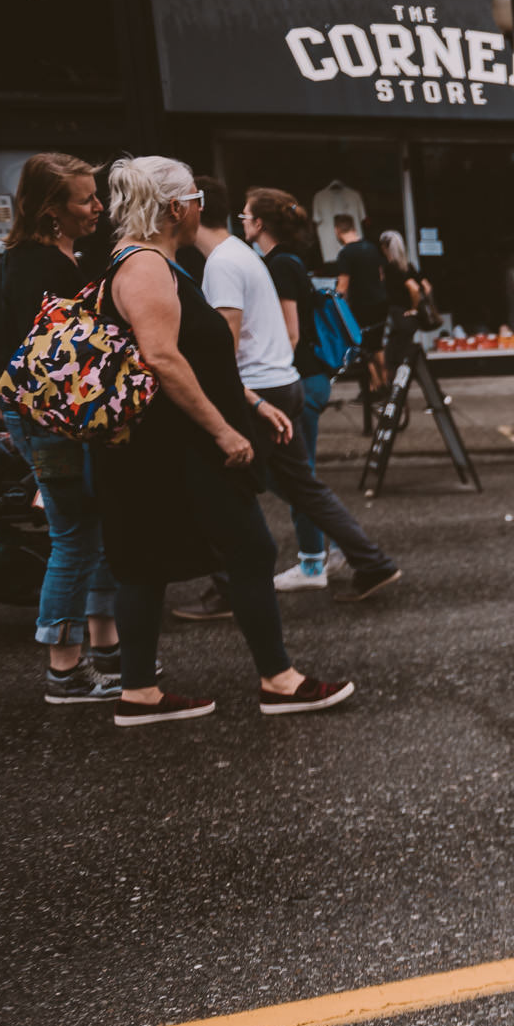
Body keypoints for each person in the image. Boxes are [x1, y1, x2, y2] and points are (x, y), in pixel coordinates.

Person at [91, 156, 352, 726]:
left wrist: (253, 403)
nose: (201, 210)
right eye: (196, 200)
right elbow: (162, 358)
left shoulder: (153, 261)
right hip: (175, 447)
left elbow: (198, 359)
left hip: (157, 446)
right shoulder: (146, 267)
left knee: (144, 563)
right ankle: (278, 681)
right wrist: (224, 428)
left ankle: (139, 691)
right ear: (177, 207)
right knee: (248, 551)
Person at [181, 180, 401, 611]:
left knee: (224, 485)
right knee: (299, 485)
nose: (243, 219)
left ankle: (237, 585)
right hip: (283, 381)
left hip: (265, 385)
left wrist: (244, 396)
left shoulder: (231, 262)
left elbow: (233, 342)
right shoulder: (250, 257)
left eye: (248, 214)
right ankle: (367, 561)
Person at [0, 152, 121, 701]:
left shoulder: (62, 256)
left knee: (90, 534)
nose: (98, 206)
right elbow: (57, 358)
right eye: (85, 198)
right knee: (73, 538)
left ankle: (107, 651)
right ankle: (64, 670)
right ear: (51, 209)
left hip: (61, 417)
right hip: (51, 418)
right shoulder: (37, 266)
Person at [377, 230, 430, 395]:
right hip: (409, 321)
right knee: (403, 358)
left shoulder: (392, 268)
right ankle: (396, 397)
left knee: (394, 360)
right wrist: (417, 309)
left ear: (385, 247)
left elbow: (414, 289)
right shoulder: (408, 266)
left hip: (400, 318)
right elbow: (426, 287)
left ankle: (394, 398)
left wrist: (413, 307)